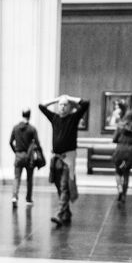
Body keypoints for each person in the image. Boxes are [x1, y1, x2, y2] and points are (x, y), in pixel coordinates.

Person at [39, 93, 89, 227]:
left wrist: (69, 98)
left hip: (68, 159)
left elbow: (85, 104)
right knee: (58, 186)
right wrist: (56, 99)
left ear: (69, 107)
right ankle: (66, 212)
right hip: (56, 159)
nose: (62, 107)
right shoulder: (54, 118)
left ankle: (60, 214)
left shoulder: (73, 118)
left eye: (65, 105)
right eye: (60, 105)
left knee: (64, 186)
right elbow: (41, 106)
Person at [9, 109, 40, 208]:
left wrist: (16, 151)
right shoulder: (32, 129)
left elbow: (10, 142)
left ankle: (14, 196)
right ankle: (28, 199)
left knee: (16, 178)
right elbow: (37, 144)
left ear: (22, 115)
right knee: (29, 179)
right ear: (29, 116)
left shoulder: (15, 128)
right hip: (28, 157)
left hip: (18, 156)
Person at [111, 109, 132, 204]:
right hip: (129, 154)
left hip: (120, 151)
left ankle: (119, 189)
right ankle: (124, 195)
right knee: (126, 174)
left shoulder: (120, 127)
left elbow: (114, 139)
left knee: (118, 172)